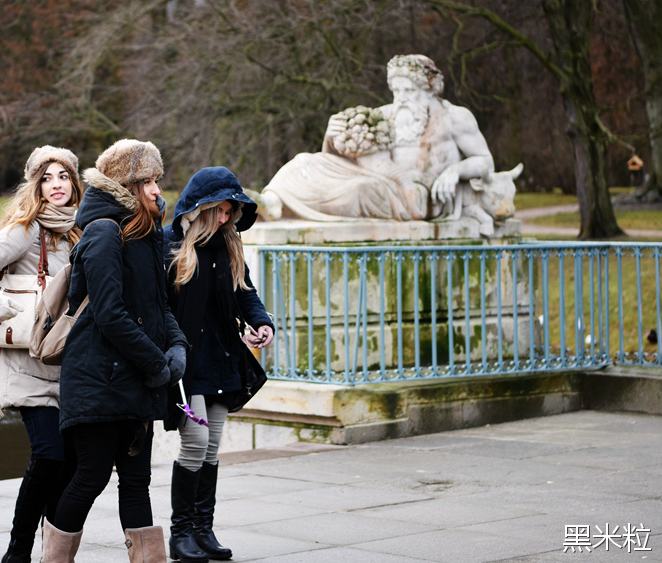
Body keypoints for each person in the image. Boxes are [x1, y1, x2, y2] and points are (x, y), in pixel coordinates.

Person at [43, 139, 189, 563]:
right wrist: (156, 363)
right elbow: (109, 313)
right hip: (97, 381)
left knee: (137, 481)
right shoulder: (104, 232)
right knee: (89, 477)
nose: (158, 189)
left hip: (135, 381)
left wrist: (177, 348)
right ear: (128, 184)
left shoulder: (145, 234)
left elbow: (160, 309)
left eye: (158, 180)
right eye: (149, 181)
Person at [0, 145, 83, 563]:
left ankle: (54, 552)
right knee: (48, 454)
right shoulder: (27, 230)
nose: (56, 185)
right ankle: (18, 549)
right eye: (47, 178)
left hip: (71, 366)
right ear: (37, 186)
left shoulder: (84, 231)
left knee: (69, 465)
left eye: (63, 176)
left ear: (74, 182)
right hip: (27, 364)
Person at [163, 166, 274, 562]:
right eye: (220, 210)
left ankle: (203, 530)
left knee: (211, 447)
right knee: (194, 441)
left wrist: (262, 322)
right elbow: (159, 307)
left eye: (231, 212)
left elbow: (246, 292)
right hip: (187, 361)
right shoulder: (170, 244)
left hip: (222, 357)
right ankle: (180, 534)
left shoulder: (228, 246)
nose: (226, 218)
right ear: (201, 207)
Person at [259, 54, 495, 222]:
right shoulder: (384, 114)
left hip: (417, 193)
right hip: (373, 174)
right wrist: (333, 136)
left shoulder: (454, 117)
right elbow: (347, 155)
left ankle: (291, 209)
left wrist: (455, 171)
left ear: (429, 90)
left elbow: (485, 162)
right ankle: (274, 202)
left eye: (409, 91)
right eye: (396, 91)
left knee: (358, 190)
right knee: (305, 161)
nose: (401, 98)